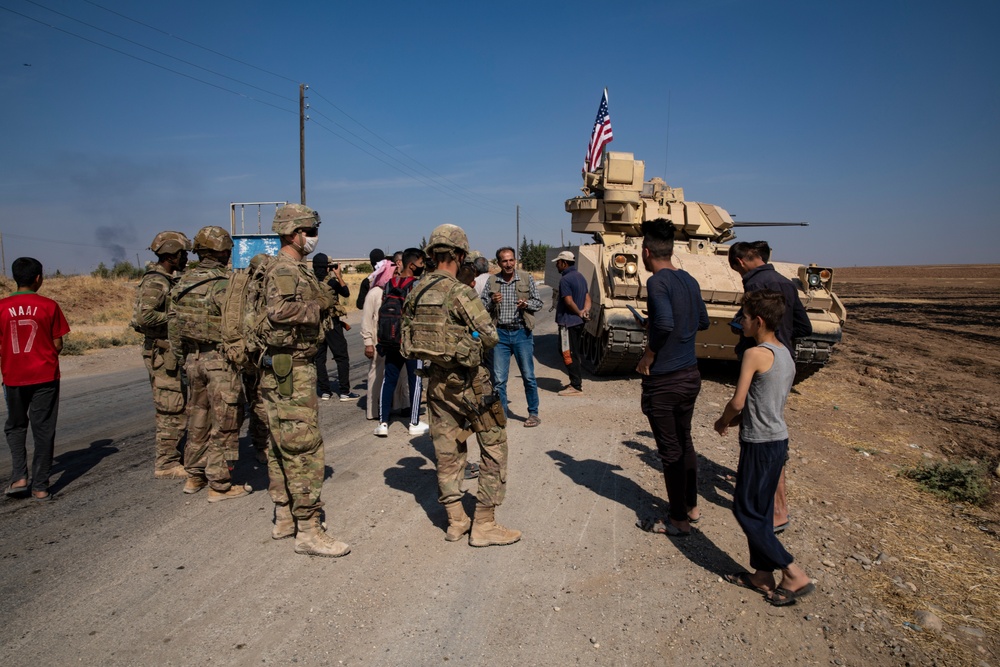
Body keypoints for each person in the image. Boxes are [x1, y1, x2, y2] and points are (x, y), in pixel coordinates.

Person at [401, 224, 520, 546]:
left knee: (447, 451)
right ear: (460, 255)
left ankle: (455, 521)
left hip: (436, 384)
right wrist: (472, 339)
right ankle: (484, 524)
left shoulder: (417, 291)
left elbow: (406, 339)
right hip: (470, 386)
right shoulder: (459, 292)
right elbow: (491, 337)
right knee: (494, 447)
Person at [259, 203, 349, 557]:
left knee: (280, 444)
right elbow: (278, 311)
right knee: (304, 447)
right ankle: (309, 530)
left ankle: (284, 517)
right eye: (310, 231)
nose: (313, 237)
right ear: (294, 232)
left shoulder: (289, 267)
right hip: (291, 368)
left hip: (282, 367)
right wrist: (321, 306)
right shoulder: (284, 269)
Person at [715, 290, 815, 606]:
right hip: (777, 440)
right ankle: (761, 574)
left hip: (759, 444)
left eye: (742, 317)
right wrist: (735, 422)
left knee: (744, 510)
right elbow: (763, 403)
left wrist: (723, 420)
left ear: (758, 321)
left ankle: (793, 572)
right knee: (760, 511)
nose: (739, 322)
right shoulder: (784, 353)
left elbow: (738, 401)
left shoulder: (755, 354)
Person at [728, 241, 812, 532]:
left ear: (740, 262)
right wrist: (782, 339)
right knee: (770, 422)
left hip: (760, 364)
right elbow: (805, 327)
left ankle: (775, 510)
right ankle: (773, 505)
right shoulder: (787, 283)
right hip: (782, 360)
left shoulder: (757, 285)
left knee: (762, 431)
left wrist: (744, 330)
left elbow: (747, 324)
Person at [634, 219, 710, 537]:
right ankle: (691, 507)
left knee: (669, 449)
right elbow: (702, 321)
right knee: (685, 441)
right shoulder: (689, 280)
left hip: (664, 380)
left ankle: (677, 520)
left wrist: (649, 356)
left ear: (646, 251)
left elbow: (664, 324)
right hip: (690, 374)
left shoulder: (657, 283)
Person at [168, 226, 248, 503]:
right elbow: (238, 327)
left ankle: (194, 475)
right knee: (225, 422)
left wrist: (183, 359)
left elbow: (173, 327)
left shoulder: (182, 282)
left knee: (198, 418)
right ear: (224, 251)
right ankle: (220, 484)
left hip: (193, 359)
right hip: (220, 362)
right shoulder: (225, 284)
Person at [1, 257, 70, 501]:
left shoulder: (2, 307)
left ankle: (19, 477)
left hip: (13, 377)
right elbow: (58, 343)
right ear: (38, 278)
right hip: (45, 376)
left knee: (16, 426)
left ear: (14, 278)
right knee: (43, 430)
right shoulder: (49, 306)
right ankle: (40, 486)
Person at [132, 231, 190, 479]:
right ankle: (166, 462)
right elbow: (143, 318)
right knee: (170, 407)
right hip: (161, 352)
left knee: (177, 404)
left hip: (167, 351)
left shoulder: (166, 279)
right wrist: (177, 319)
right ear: (173, 255)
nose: (186, 257)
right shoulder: (157, 282)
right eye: (183, 253)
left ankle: (175, 454)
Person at [482, 247, 543, 427]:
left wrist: (527, 304)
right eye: (504, 261)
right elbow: (482, 306)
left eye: (511, 260)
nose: (508, 264)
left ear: (515, 261)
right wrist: (492, 302)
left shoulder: (526, 278)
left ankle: (533, 413)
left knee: (528, 376)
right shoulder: (492, 281)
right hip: (500, 334)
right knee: (499, 380)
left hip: (521, 332)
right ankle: (502, 416)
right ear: (499, 263)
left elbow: (539, 303)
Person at [374, 247, 428, 437]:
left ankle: (383, 422)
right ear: (412, 265)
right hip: (411, 342)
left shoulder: (389, 283)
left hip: (390, 340)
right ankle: (414, 423)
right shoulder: (417, 285)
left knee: (389, 379)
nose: (423, 266)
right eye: (421, 263)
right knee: (416, 380)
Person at [361, 259, 409, 421]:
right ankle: (374, 411)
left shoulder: (397, 292)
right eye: (394, 273)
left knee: (400, 375)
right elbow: (366, 320)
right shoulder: (374, 293)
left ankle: (400, 406)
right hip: (377, 341)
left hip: (395, 341)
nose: (397, 275)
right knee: (376, 376)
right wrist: (368, 342)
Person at [311, 253, 359, 401]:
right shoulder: (331, 282)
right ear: (327, 268)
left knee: (319, 358)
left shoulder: (309, 282)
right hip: (332, 323)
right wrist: (338, 275)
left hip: (316, 324)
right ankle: (344, 391)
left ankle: (324, 390)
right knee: (341, 357)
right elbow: (346, 293)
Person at [553, 250, 591, 396]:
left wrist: (578, 312)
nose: (557, 265)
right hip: (577, 322)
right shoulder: (580, 276)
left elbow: (568, 301)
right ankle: (575, 382)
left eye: (558, 262)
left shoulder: (565, 280)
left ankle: (576, 385)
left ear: (564, 263)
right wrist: (584, 311)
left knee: (566, 352)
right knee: (572, 351)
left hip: (568, 323)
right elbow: (588, 297)